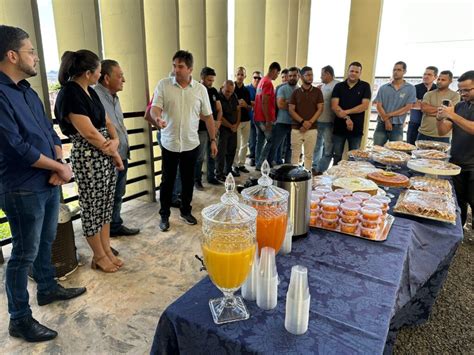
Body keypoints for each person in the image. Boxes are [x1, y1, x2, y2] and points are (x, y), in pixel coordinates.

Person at [0, 25, 86, 342]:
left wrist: (58, 164)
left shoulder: (27, 90)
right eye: (31, 51)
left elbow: (48, 132)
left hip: (47, 180)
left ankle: (47, 288)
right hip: (22, 187)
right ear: (11, 55)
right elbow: (15, 147)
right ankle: (19, 319)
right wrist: (59, 168)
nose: (36, 56)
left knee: (45, 240)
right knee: (22, 254)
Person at [55, 49, 125, 273]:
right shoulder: (69, 93)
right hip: (88, 157)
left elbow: (106, 121)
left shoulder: (90, 92)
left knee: (105, 205)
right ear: (88, 72)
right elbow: (90, 134)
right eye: (98, 70)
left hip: (103, 155)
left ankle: (105, 251)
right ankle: (98, 255)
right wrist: (113, 151)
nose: (100, 73)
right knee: (92, 207)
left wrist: (114, 140)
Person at [149, 50, 217, 232]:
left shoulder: (200, 90)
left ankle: (186, 211)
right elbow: (154, 109)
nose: (176, 70)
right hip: (169, 143)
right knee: (167, 180)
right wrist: (157, 119)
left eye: (180, 66)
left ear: (190, 69)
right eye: (174, 66)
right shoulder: (163, 85)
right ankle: (164, 215)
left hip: (190, 143)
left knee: (188, 180)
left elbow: (209, 117)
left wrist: (213, 140)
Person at [95, 59, 140, 237]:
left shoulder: (114, 97)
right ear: (106, 78)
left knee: (117, 194)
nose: (124, 79)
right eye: (120, 76)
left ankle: (115, 225)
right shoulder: (95, 97)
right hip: (106, 157)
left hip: (121, 154)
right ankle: (103, 238)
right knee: (105, 199)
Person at [437, 70, 474, 227]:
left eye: (467, 90)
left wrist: (452, 116)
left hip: (473, 165)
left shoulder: (455, 112)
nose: (463, 93)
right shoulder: (459, 106)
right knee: (458, 201)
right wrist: (440, 119)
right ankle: (460, 230)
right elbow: (443, 131)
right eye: (461, 90)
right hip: (457, 162)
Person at [331, 62, 372, 165]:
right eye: (352, 71)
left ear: (360, 73)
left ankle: (350, 180)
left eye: (356, 72)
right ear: (348, 71)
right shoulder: (339, 86)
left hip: (356, 128)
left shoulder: (365, 86)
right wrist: (347, 118)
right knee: (337, 155)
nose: (353, 73)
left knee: (354, 157)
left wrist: (346, 112)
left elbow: (364, 106)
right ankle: (335, 178)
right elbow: (334, 106)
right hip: (339, 128)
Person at [373, 61, 416, 146]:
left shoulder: (410, 88)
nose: (395, 72)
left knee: (396, 152)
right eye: (394, 70)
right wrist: (386, 120)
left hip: (398, 126)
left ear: (404, 72)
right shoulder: (383, 88)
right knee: (377, 150)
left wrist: (388, 115)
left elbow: (407, 108)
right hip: (381, 124)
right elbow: (378, 106)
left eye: (399, 70)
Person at [289, 66, 324, 170]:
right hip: (296, 128)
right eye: (308, 75)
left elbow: (320, 109)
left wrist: (309, 123)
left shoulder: (317, 92)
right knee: (295, 155)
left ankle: (307, 178)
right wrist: (303, 122)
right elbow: (291, 110)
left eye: (311, 75)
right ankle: (294, 179)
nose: (310, 77)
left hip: (312, 128)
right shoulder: (296, 92)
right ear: (301, 76)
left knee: (309, 156)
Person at [195, 67, 222, 188]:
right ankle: (197, 180)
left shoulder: (213, 91)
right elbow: (195, 111)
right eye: (209, 80)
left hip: (213, 127)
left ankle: (211, 177)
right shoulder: (196, 90)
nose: (211, 82)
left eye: (212, 80)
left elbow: (219, 109)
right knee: (200, 156)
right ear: (202, 78)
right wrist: (208, 120)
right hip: (201, 129)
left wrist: (217, 122)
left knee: (213, 153)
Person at [417, 70, 460, 143]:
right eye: (439, 79)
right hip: (424, 132)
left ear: (450, 81)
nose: (439, 81)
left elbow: (451, 113)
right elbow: (424, 109)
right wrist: (443, 111)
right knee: (419, 154)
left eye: (443, 80)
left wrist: (431, 111)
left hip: (443, 136)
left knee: (439, 155)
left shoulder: (455, 96)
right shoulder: (428, 94)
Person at [312, 65, 340, 174]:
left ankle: (321, 169)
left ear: (328, 74)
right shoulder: (322, 86)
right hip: (318, 121)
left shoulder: (336, 85)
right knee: (316, 146)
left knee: (328, 148)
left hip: (329, 122)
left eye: (322, 74)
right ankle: (314, 167)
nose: (320, 76)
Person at [254, 62, 281, 170]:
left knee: (260, 141)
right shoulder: (268, 83)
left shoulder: (261, 81)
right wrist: (268, 120)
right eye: (277, 73)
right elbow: (265, 102)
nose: (277, 76)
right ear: (274, 71)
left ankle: (257, 163)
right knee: (270, 140)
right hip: (263, 118)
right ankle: (260, 164)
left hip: (257, 117)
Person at [272, 67, 300, 165]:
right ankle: (269, 166)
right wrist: (294, 105)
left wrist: (288, 102)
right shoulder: (282, 88)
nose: (292, 78)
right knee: (275, 145)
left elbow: (302, 107)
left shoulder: (300, 90)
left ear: (298, 76)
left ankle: (288, 166)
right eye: (290, 76)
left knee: (290, 147)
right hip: (282, 122)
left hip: (295, 123)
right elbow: (280, 105)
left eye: (294, 76)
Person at [216, 80, 241, 180]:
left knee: (232, 149)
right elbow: (219, 116)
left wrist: (237, 124)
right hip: (223, 128)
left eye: (231, 91)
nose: (229, 94)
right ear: (222, 87)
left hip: (233, 128)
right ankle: (219, 173)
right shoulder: (218, 97)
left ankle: (228, 170)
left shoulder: (233, 95)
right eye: (227, 91)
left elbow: (238, 110)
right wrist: (230, 126)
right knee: (221, 152)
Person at [407, 66, 438, 145]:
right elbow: (411, 104)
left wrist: (421, 103)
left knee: (427, 150)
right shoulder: (415, 88)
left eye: (429, 74)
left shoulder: (437, 89)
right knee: (410, 147)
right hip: (414, 123)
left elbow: (439, 107)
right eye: (424, 74)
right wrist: (428, 106)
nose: (426, 76)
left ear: (435, 77)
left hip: (429, 125)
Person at [232, 67, 252, 175]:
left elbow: (249, 107)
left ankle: (241, 164)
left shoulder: (246, 90)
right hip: (236, 121)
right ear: (235, 75)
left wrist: (245, 105)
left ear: (245, 76)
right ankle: (234, 165)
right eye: (238, 74)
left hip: (246, 120)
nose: (240, 76)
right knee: (237, 145)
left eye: (242, 74)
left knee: (245, 144)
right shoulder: (232, 88)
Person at [247, 71, 261, 166]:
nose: (257, 79)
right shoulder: (247, 89)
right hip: (250, 118)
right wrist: (258, 104)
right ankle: (252, 157)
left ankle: (258, 158)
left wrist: (253, 103)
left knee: (259, 140)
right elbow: (247, 102)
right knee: (251, 140)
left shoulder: (262, 89)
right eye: (255, 77)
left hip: (260, 119)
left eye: (259, 78)